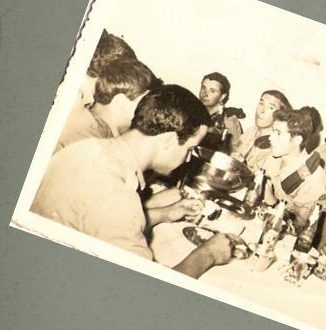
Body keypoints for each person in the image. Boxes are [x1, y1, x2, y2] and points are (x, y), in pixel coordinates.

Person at [32, 85, 238, 278]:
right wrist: (209, 254)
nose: (187, 159)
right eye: (189, 149)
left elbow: (99, 223)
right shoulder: (118, 199)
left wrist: (166, 213)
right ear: (169, 140)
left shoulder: (86, 147)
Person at [56, 58, 160, 151]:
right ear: (120, 100)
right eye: (143, 103)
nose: (147, 112)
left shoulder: (96, 132)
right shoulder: (89, 141)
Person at [262, 108, 326, 229]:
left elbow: (301, 227)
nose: (271, 138)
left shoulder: (315, 179)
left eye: (278, 133)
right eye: (273, 131)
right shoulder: (275, 156)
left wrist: (273, 203)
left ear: (297, 140)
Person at [232, 90, 291, 173]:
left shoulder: (275, 146)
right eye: (261, 103)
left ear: (279, 115)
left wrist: (241, 166)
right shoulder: (253, 129)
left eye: (271, 108)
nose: (262, 110)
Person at [198, 72, 244, 151]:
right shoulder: (192, 110)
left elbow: (236, 153)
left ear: (222, 96)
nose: (204, 94)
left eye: (212, 91)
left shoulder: (230, 121)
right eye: (203, 88)